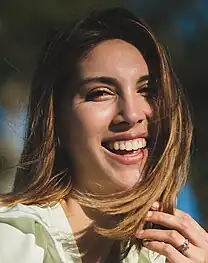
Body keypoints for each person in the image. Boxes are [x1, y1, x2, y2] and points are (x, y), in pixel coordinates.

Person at [0, 7, 207, 263]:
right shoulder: (11, 241)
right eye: (100, 93)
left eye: (147, 90)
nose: (132, 114)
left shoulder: (158, 256)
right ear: (56, 122)